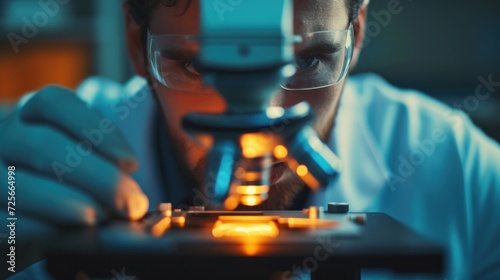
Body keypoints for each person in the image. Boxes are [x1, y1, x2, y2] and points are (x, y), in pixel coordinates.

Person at [1, 0, 499, 279]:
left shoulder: (454, 163)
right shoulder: (51, 158)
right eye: (195, 65)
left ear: (358, 32)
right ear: (138, 47)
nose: (267, 120)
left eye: (309, 61)